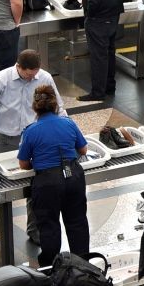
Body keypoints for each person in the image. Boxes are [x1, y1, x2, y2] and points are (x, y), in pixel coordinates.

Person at [16, 84, 88, 268]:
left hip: (47, 183)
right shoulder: (68, 123)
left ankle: (52, 270)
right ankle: (82, 268)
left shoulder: (31, 131)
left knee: (49, 227)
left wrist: (40, 163)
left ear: (35, 107)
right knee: (77, 222)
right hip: (73, 177)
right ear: (55, 105)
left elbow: (23, 164)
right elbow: (83, 149)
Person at [78, 0, 123, 103]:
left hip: (99, 16)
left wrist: (89, 13)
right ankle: (110, 86)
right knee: (110, 52)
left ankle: (98, 92)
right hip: (114, 13)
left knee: (98, 55)